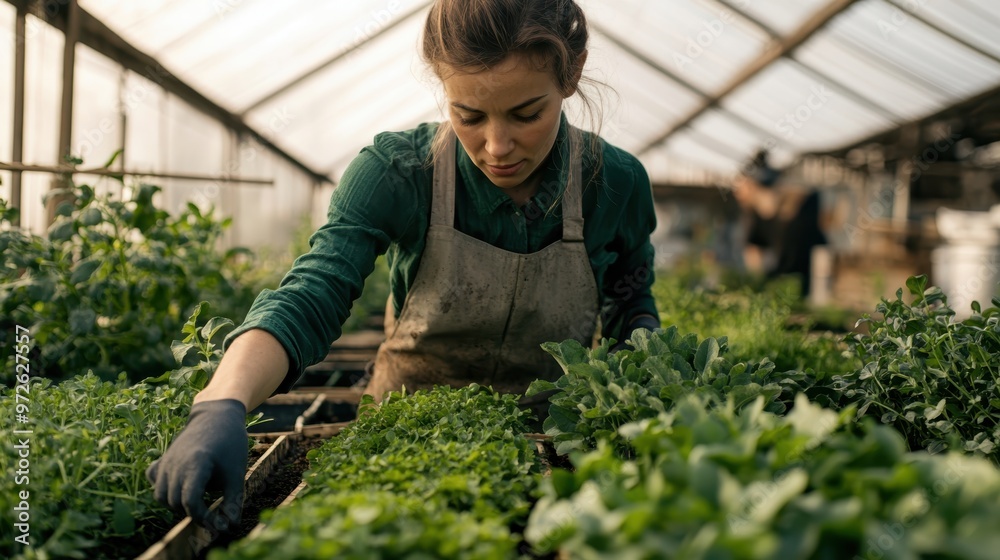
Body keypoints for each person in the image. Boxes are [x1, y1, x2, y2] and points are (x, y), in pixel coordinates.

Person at [146, 0, 660, 532]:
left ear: (571, 74)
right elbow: (314, 291)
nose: (497, 146)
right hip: (401, 445)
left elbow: (632, 304)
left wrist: (629, 403)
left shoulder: (615, 184)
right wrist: (224, 399)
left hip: (556, 455)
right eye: (469, 116)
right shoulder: (398, 173)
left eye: (527, 114)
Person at [732, 149, 827, 297]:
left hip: (812, 277)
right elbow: (753, 250)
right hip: (782, 280)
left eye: (740, 187)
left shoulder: (802, 200)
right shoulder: (753, 217)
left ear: (752, 184)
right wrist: (759, 282)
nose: (737, 193)